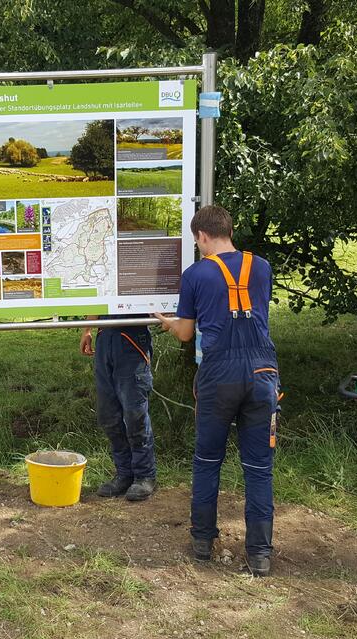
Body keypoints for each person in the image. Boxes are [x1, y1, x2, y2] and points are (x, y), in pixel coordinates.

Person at [155, 205, 279, 577]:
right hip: (263, 371)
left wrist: (168, 324)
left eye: (197, 240)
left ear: (202, 236)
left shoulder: (195, 274)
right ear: (229, 229)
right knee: (259, 468)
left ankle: (202, 541)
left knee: (208, 460)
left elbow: (186, 333)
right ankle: (259, 554)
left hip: (219, 373)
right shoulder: (262, 266)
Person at [80, 315, 157, 500]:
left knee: (135, 414)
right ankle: (124, 473)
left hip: (132, 335)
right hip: (105, 335)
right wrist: (87, 329)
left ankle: (145, 475)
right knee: (108, 415)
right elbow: (96, 294)